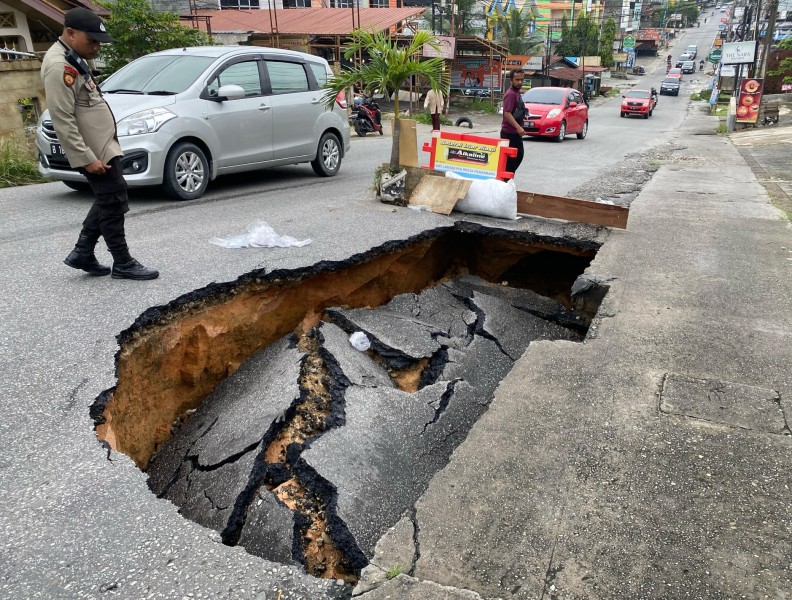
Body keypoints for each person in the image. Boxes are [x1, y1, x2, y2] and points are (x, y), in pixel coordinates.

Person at [41, 8, 158, 280]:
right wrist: (86, 158)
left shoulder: (72, 56)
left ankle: (82, 252)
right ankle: (123, 262)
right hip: (93, 151)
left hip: (102, 146)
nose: (96, 47)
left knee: (110, 199)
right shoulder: (61, 66)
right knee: (113, 201)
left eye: (98, 41)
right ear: (70, 33)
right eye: (91, 40)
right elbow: (62, 118)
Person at [500, 68, 526, 182]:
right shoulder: (510, 94)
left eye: (521, 80)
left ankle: (506, 181)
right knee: (511, 162)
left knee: (518, 157)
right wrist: (518, 127)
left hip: (514, 133)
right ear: (511, 80)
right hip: (509, 133)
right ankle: (504, 182)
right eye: (517, 80)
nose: (520, 82)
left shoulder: (517, 93)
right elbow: (507, 113)